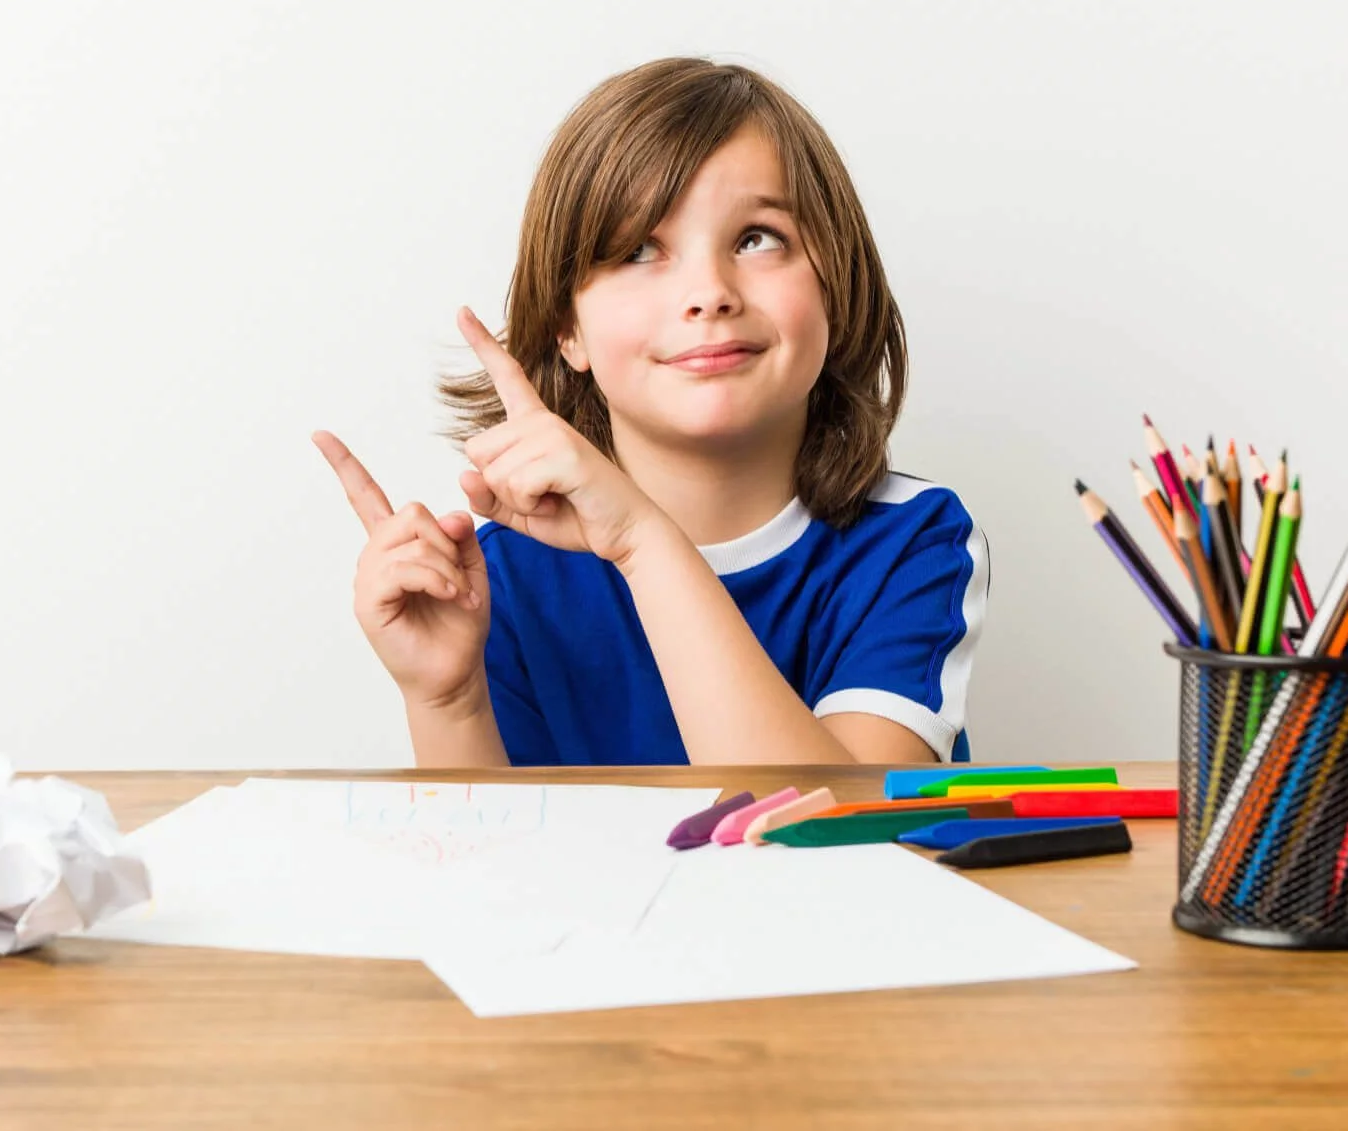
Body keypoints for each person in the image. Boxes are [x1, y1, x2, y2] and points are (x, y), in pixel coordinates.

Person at [315, 57, 987, 767]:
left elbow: (832, 828)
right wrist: (445, 699)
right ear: (566, 330)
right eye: (639, 250)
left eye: (757, 238)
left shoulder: (915, 541)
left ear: (835, 285)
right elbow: (491, 867)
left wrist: (642, 540)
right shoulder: (501, 581)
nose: (709, 292)